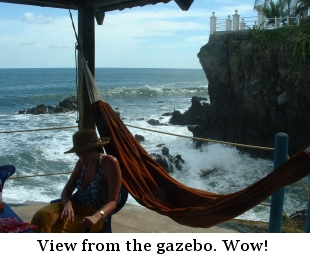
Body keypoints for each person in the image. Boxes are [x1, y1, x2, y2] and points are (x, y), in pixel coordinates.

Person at [31, 129, 122, 232]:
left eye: (84, 152)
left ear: (94, 148)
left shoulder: (109, 163)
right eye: (78, 153)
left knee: (56, 229)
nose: (81, 157)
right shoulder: (82, 162)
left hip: (94, 214)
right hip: (74, 206)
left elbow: (113, 201)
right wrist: (67, 204)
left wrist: (97, 216)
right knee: (41, 216)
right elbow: (67, 190)